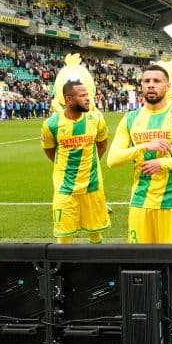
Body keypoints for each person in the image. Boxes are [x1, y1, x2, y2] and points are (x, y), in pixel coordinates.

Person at [107, 65, 172, 244]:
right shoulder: (130, 118)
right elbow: (112, 160)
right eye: (146, 81)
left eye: (157, 81)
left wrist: (162, 164)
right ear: (141, 85)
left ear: (167, 86)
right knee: (141, 263)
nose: (151, 85)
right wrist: (144, 147)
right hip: (141, 201)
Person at [41, 80, 110, 244]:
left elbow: (102, 145)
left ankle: (99, 266)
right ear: (69, 99)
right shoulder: (51, 125)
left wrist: (89, 165)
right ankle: (63, 268)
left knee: (95, 233)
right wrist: (65, 168)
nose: (88, 99)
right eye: (83, 95)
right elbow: (50, 151)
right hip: (65, 188)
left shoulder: (96, 119)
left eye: (88, 95)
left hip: (91, 186)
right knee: (64, 234)